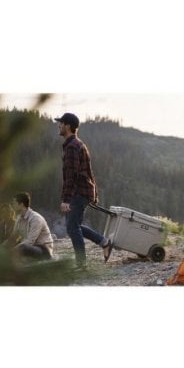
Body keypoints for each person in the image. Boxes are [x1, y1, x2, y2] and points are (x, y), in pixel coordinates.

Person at [55, 112, 113, 269]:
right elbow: (89, 171)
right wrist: (94, 194)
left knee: (72, 227)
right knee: (75, 226)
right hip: (83, 192)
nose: (59, 126)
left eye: (61, 123)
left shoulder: (72, 147)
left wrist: (66, 200)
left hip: (78, 193)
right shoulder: (78, 144)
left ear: (67, 126)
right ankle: (104, 242)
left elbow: (71, 176)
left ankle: (81, 265)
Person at [4, 192, 54, 264]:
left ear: (21, 205)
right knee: (8, 248)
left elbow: (30, 241)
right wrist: (0, 248)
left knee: (22, 247)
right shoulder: (19, 218)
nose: (12, 206)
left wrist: (13, 250)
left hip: (43, 249)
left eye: (14, 203)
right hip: (30, 248)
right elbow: (13, 237)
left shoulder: (35, 219)